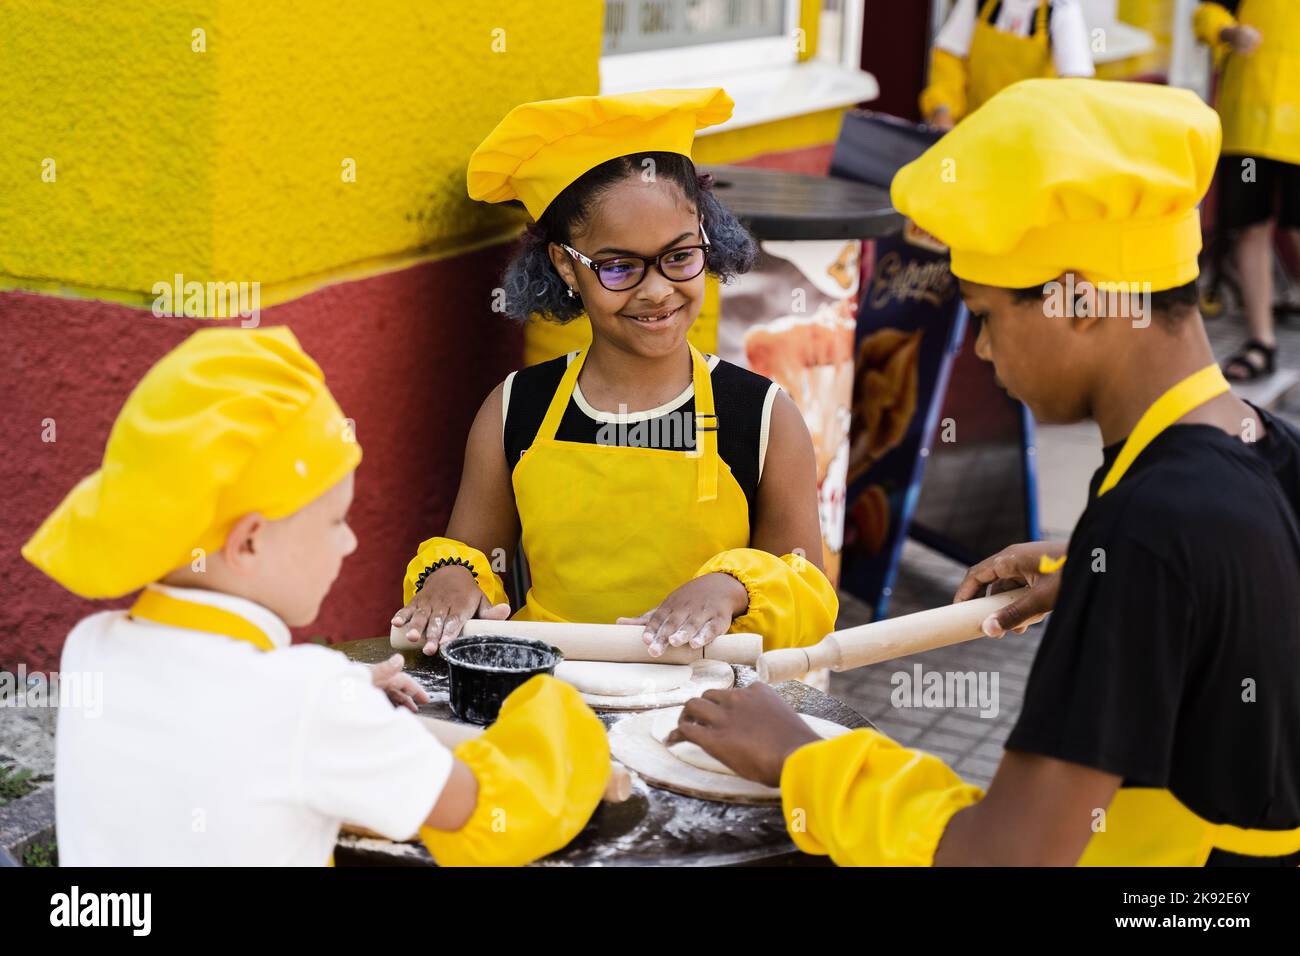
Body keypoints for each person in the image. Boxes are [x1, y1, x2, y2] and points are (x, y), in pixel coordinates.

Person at [666, 79, 1300, 866]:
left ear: (1081, 300)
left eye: (987, 315)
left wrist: (800, 757)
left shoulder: (1153, 527)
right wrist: (1090, 576)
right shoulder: (1262, 446)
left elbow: (1009, 855)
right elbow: (1245, 603)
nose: (983, 351)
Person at [23, 327, 608, 866]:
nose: (351, 541)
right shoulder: (310, 703)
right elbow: (492, 812)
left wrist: (344, 688)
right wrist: (557, 710)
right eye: (334, 520)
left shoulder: (89, 649)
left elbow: (212, 714)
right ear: (249, 542)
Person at [391, 89, 838, 658]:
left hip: (700, 712)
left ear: (705, 234)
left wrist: (730, 588)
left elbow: (807, 590)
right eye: (620, 267)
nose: (657, 291)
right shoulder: (515, 409)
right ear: (564, 265)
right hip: (548, 699)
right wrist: (452, 578)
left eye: (679, 256)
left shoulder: (761, 415)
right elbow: (473, 556)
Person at [1194, 0, 1300, 382]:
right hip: (1249, 127)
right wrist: (1227, 32)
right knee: (1251, 225)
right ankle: (1261, 341)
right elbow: (1207, 12)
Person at [921, 0, 1094, 130]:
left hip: (1029, 141)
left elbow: (1075, 85)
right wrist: (942, 111)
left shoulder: (1062, 8)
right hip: (971, 132)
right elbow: (949, 57)